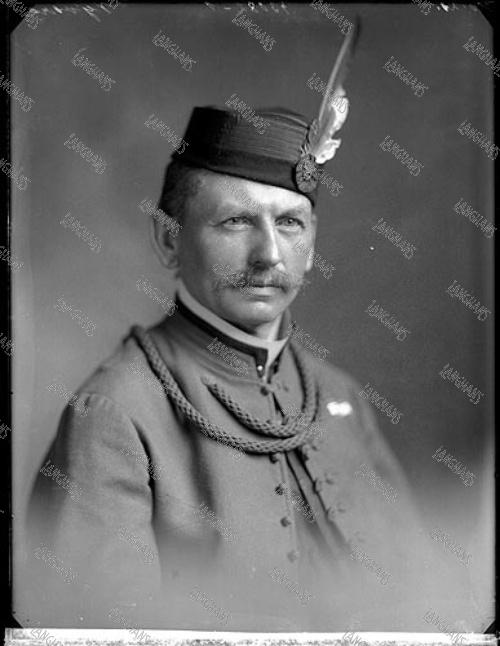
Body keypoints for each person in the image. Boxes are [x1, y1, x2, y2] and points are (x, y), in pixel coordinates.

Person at [26, 33, 483, 632]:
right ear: (169, 239)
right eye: (236, 221)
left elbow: (424, 604)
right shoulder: (115, 412)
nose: (269, 254)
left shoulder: (340, 397)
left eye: (290, 223)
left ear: (312, 247)